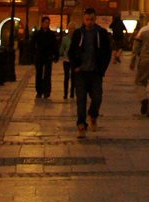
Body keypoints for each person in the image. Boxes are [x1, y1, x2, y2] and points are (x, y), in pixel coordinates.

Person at [67, 8, 113, 137]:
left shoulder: (101, 33)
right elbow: (71, 52)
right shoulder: (78, 33)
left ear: (95, 19)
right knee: (81, 100)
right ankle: (81, 125)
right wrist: (75, 66)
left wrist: (102, 69)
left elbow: (107, 53)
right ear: (83, 19)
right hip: (81, 72)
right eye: (87, 19)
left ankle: (93, 115)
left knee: (97, 97)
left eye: (92, 19)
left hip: (95, 72)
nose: (89, 22)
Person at [30, 16, 60, 98]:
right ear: (42, 23)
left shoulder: (51, 34)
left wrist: (55, 56)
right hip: (39, 56)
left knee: (47, 74)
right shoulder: (37, 34)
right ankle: (39, 91)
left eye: (48, 22)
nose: (47, 24)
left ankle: (47, 91)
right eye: (46, 22)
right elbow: (32, 45)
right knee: (39, 74)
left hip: (48, 57)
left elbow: (55, 46)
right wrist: (34, 54)